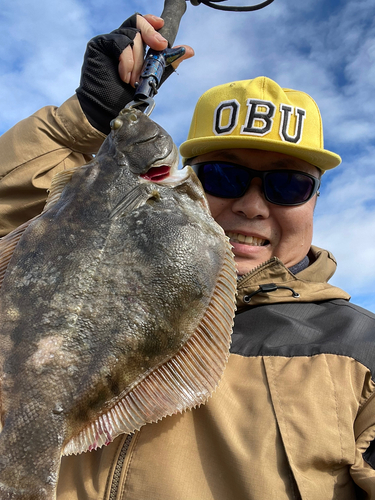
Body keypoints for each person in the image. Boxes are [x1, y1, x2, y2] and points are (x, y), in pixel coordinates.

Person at [1, 13, 375, 500]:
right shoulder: (83, 256)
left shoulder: (361, 352)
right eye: (224, 175)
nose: (252, 205)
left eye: (288, 185)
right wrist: (83, 124)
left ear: (314, 202)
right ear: (186, 179)